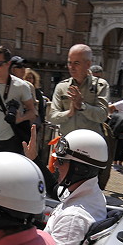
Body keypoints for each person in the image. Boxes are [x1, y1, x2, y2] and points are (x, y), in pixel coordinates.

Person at [32, 128, 108, 245]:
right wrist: (34, 159)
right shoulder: (90, 194)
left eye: (61, 161)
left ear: (79, 169)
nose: (55, 165)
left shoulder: (73, 219)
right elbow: (54, 189)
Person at [49, 44, 110, 186]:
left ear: (88, 64)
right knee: (62, 186)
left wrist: (82, 106)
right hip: (67, 149)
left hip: (90, 153)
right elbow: (52, 115)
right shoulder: (62, 87)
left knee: (87, 188)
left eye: (76, 63)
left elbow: (102, 115)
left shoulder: (100, 86)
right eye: (69, 62)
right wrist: (69, 113)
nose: (72, 67)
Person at [0, 46, 37, 154]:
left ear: (8, 64)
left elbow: (33, 112)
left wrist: (21, 118)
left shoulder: (21, 86)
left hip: (14, 138)